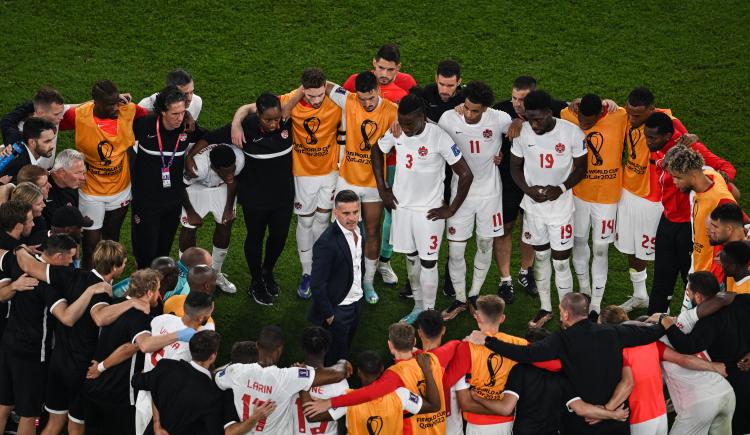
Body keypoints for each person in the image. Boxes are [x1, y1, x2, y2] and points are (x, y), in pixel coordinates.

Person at [466, 292, 667, 434]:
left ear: (565, 314)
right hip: (617, 422)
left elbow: (526, 354)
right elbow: (649, 334)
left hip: (582, 424)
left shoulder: (562, 340)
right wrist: (665, 324)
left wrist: (488, 341)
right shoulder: (613, 333)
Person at [229, 68, 343, 299]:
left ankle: (319, 271)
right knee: (305, 221)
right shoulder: (287, 101)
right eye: (310, 95)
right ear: (302, 89)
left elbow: (359, 101)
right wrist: (235, 123)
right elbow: (250, 108)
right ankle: (307, 273)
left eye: (320, 94)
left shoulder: (336, 99)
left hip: (330, 172)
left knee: (322, 221)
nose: (316, 100)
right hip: (302, 174)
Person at [12, 240, 137, 435]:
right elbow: (100, 317)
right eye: (123, 263)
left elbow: (29, 265)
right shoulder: (101, 292)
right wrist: (132, 302)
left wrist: (20, 248)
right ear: (114, 267)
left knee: (53, 425)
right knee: (76, 428)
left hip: (58, 364)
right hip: (81, 370)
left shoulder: (71, 275)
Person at [190, 91, 302, 304]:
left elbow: (303, 89)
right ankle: (256, 280)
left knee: (278, 238)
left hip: (283, 197)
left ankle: (268, 271)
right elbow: (209, 137)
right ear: (257, 115)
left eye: (277, 118)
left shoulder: (287, 121)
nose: (274, 124)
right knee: (255, 238)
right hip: (255, 199)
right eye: (268, 119)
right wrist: (189, 157)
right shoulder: (247, 128)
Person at [373, 91, 473, 323]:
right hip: (402, 208)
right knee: (411, 258)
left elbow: (466, 174)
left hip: (428, 213)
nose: (405, 128)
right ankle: (418, 306)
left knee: (428, 262)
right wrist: (382, 188)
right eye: (402, 122)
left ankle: (429, 313)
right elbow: (377, 150)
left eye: (410, 123)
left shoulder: (438, 136)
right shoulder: (397, 129)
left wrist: (451, 209)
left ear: (423, 116)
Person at [0, 235, 109, 435]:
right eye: (70, 258)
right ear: (58, 256)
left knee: (4, 406)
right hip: (32, 354)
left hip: (8, 344)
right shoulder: (48, 286)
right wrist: (90, 291)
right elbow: (67, 318)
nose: (72, 263)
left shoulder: (18, 263)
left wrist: (19, 249)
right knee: (28, 413)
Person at [82, 268, 196, 435]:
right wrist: (179, 335)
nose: (159, 294)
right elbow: (141, 346)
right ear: (149, 292)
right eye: (157, 290)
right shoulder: (139, 317)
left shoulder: (115, 304)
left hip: (94, 387)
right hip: (117, 392)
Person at [644, 111, 736, 313]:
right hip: (668, 220)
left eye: (677, 177)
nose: (647, 142)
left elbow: (726, 169)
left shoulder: (690, 152)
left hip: (689, 226)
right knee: (662, 277)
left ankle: (699, 322)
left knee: (695, 280)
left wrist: (721, 181)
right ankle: (654, 322)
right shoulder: (662, 144)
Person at [510, 90, 587, 327]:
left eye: (538, 119)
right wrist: (528, 190)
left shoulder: (571, 132)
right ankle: (545, 308)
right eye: (529, 118)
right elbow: (515, 167)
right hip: (534, 208)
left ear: (549, 113)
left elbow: (582, 168)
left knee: (561, 261)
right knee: (541, 257)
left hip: (561, 209)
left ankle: (568, 314)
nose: (533, 124)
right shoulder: (523, 132)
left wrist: (561, 188)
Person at [437, 81, 511, 318]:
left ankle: (473, 295)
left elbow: (521, 129)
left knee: (485, 244)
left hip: (489, 194)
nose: (469, 114)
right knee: (456, 250)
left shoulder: (499, 119)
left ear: (486, 109)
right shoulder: (449, 118)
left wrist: (506, 151)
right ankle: (459, 298)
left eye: (475, 111)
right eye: (467, 108)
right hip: (461, 196)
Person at [467, 328, 629, 435]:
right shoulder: (563, 375)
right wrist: (612, 414)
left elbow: (505, 408)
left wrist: (477, 397)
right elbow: (581, 409)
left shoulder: (520, 370)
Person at [59, 79, 150, 269]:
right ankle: (87, 280)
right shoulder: (79, 115)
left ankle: (107, 282)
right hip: (91, 190)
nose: (115, 107)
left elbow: (156, 117)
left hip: (120, 188)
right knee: (91, 244)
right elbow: (51, 119)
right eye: (109, 103)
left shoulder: (129, 110)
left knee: (112, 240)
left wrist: (187, 118)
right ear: (95, 102)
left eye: (117, 101)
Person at [327, 72, 398, 304]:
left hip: (374, 184)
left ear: (378, 90)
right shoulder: (347, 99)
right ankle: (346, 278)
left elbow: (419, 121)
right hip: (347, 180)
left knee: (373, 230)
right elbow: (322, 84)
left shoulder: (392, 110)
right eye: (362, 99)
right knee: (341, 231)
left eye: (371, 98)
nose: (367, 103)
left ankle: (367, 282)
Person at [494, 76, 568, 299]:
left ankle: (525, 271)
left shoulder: (553, 108)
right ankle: (505, 280)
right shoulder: (500, 111)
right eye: (514, 97)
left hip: (537, 182)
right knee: (505, 228)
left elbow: (578, 108)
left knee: (531, 230)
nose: (517, 104)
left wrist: (522, 121)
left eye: (523, 99)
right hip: (508, 180)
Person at [615, 87, 687, 311]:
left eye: (638, 115)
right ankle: (639, 294)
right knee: (631, 248)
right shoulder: (627, 116)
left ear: (651, 110)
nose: (632, 118)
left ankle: (665, 302)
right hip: (628, 191)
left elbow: (689, 149)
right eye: (630, 113)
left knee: (660, 253)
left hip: (654, 198)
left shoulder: (670, 124)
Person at [304, 323, 447, 435]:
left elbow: (370, 393)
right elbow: (434, 406)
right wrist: (425, 368)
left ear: (390, 345)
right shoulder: (403, 393)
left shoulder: (350, 400)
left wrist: (325, 399)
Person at [402, 59, 464, 300]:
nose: (445, 90)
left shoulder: (465, 101)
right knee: (420, 225)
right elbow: (406, 110)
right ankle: (414, 281)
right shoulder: (422, 95)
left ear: (459, 82)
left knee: (451, 226)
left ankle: (449, 277)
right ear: (435, 78)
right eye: (441, 84)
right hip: (426, 172)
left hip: (452, 172)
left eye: (450, 85)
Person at [215, 325, 351, 434]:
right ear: (280, 349)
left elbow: (216, 377)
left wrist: (233, 367)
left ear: (257, 346)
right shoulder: (288, 378)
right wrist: (343, 362)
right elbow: (338, 373)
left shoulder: (236, 372)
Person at [560, 94, 627, 315]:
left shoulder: (619, 116)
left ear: (600, 113)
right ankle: (585, 291)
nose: (582, 125)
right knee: (579, 240)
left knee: (600, 248)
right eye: (580, 119)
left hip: (607, 197)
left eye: (588, 123)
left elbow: (659, 114)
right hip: (579, 194)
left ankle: (596, 301)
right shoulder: (567, 114)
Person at [135, 331, 276, 435]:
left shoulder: (166, 366)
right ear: (213, 356)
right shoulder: (213, 395)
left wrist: (157, 423)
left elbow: (137, 381)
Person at [662, 272, 750, 434]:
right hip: (738, 378)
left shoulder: (709, 321)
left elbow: (688, 346)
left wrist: (667, 325)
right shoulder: (739, 302)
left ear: (699, 297)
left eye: (688, 292)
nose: (687, 295)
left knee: (739, 424)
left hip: (731, 378)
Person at [131, 86, 205, 269]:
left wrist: (189, 156)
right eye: (175, 114)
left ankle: (157, 290)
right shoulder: (143, 125)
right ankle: (142, 287)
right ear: (162, 112)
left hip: (172, 202)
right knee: (145, 252)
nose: (180, 118)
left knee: (162, 252)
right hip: (146, 202)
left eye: (183, 112)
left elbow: (209, 137)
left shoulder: (186, 127)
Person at [129, 291, 214, 434]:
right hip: (161, 408)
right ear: (201, 317)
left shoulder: (162, 319)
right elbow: (166, 384)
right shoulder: (190, 350)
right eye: (210, 312)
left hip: (143, 393)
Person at [442, 295, 530, 434]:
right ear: (502, 318)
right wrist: (504, 409)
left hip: (478, 425)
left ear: (477, 317)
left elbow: (445, 382)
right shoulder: (521, 344)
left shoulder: (466, 348)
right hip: (509, 424)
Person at [663, 145, 737, 308]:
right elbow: (736, 192)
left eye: (678, 178)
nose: (674, 182)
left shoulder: (720, 201)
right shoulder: (710, 175)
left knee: (698, 326)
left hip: (710, 279)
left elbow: (743, 227)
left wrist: (727, 254)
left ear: (693, 175)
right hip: (697, 264)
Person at [308, 190, 364, 365]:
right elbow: (316, 284)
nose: (352, 218)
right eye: (346, 213)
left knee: (345, 348)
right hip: (338, 309)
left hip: (356, 303)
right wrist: (330, 315)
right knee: (333, 357)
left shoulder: (359, 230)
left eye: (355, 212)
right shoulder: (326, 244)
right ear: (335, 213)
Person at [179, 143, 243, 294]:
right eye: (225, 172)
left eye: (232, 170)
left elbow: (232, 181)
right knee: (189, 227)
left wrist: (228, 209)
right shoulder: (197, 168)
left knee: (226, 224)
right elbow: (179, 185)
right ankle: (186, 277)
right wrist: (191, 211)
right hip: (195, 187)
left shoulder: (239, 158)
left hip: (221, 187)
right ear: (214, 168)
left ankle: (215, 273)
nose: (230, 174)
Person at [598, 306, 668, 434]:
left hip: (639, 418)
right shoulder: (650, 341)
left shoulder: (619, 349)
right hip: (661, 413)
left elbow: (626, 385)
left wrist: (603, 412)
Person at [290, 327, 349, 435]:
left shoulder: (289, 375)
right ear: (326, 348)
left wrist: (300, 377)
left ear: (303, 347)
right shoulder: (341, 384)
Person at [0, 87, 77, 169]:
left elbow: (86, 107)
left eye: (61, 112)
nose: (61, 117)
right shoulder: (20, 133)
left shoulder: (54, 110)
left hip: (47, 172)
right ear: (40, 113)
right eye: (57, 114)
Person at [0, 200, 34, 339]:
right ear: (19, 226)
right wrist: (15, 285)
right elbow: (1, 295)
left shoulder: (11, 242)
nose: (33, 224)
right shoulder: (10, 254)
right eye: (31, 221)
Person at [342, 43, 417, 102]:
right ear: (374, 62)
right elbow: (341, 104)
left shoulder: (407, 82)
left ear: (398, 67)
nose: (384, 74)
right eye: (381, 68)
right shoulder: (355, 80)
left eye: (390, 69)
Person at [0, 117, 56, 181]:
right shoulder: (23, 173)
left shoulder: (18, 139)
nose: (53, 146)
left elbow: (6, 123)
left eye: (52, 140)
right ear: (32, 142)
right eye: (47, 141)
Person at [138, 68, 203, 120]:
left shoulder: (197, 102)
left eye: (191, 92)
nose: (189, 98)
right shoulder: (145, 106)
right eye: (184, 94)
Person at [44, 149, 87, 225]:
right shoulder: (43, 187)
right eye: (77, 173)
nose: (83, 178)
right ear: (61, 172)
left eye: (83, 172)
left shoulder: (71, 183)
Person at [11, 181, 47, 246]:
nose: (44, 205)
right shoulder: (8, 226)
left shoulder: (39, 221)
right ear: (25, 206)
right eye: (38, 204)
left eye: (42, 201)